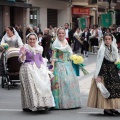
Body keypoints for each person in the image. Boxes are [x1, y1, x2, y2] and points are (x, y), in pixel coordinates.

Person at [19, 33, 55, 112]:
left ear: (36, 40)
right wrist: (22, 55)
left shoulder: (39, 48)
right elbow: (20, 60)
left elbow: (40, 59)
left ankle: (42, 104)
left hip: (39, 68)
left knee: (42, 85)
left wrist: (46, 68)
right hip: (28, 68)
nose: (32, 41)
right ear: (27, 40)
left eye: (33, 39)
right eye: (30, 39)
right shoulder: (24, 48)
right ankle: (29, 105)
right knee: (31, 87)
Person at [87, 33, 120, 115]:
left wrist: (118, 68)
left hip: (113, 71)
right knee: (106, 89)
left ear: (112, 40)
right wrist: (99, 75)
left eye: (109, 39)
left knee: (114, 90)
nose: (107, 41)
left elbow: (116, 60)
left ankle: (113, 108)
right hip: (105, 71)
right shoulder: (102, 50)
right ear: (104, 40)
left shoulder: (114, 48)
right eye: (106, 39)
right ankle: (106, 109)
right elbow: (100, 63)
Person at [51, 27, 81, 109]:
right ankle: (60, 103)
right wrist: (52, 67)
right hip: (59, 65)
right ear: (57, 34)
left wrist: (75, 59)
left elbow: (69, 54)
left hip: (67, 64)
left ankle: (70, 103)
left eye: (62, 33)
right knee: (62, 83)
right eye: (59, 33)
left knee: (70, 82)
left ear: (65, 34)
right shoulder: (55, 44)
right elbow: (53, 57)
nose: (61, 34)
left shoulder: (66, 42)